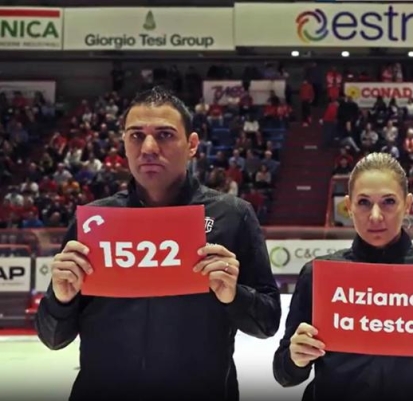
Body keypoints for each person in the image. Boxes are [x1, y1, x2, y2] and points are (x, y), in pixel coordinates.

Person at [35, 86, 282, 401]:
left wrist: (235, 295)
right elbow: (53, 338)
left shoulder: (232, 216)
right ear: (123, 143)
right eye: (136, 136)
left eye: (164, 135)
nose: (149, 147)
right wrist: (61, 298)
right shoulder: (95, 221)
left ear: (191, 144)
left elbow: (267, 322)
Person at [272, 152, 413, 400]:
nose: (376, 216)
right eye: (363, 202)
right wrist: (296, 358)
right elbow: (284, 373)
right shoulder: (317, 274)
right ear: (348, 207)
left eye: (389, 201)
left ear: (408, 203)